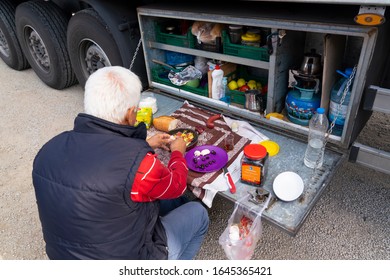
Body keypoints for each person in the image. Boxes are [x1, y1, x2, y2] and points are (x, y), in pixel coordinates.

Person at [32, 66, 209, 260]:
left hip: (64, 258)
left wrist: (144, 144)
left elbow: (99, 159)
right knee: (198, 213)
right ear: (130, 112)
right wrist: (178, 153)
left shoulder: (47, 150)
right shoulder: (143, 166)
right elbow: (176, 186)